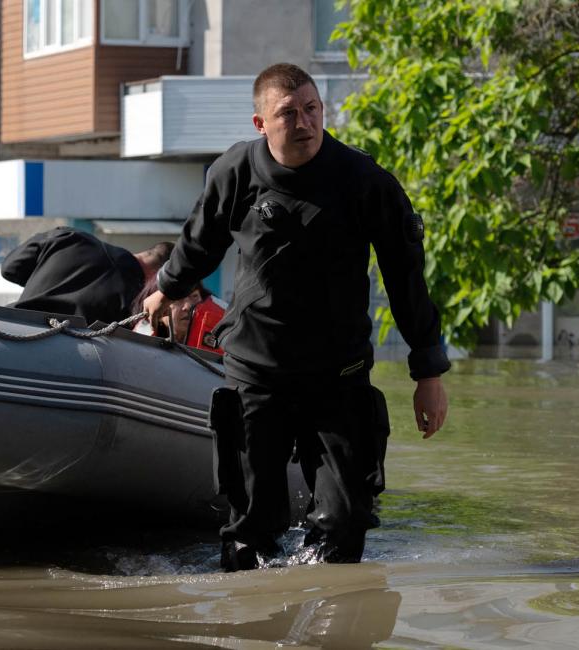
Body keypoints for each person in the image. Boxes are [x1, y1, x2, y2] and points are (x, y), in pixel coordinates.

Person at [143, 63, 450, 570]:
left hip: (340, 376)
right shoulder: (235, 172)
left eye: (313, 109)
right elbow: (199, 245)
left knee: (346, 524)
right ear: (261, 123)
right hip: (256, 372)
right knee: (250, 531)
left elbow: (406, 280)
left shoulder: (365, 182)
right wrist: (165, 289)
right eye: (289, 113)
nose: (305, 122)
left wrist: (429, 373)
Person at [0, 227, 172, 325]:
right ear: (160, 276)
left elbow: (10, 268)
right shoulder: (133, 302)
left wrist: (42, 283)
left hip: (9, 327)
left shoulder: (69, 236)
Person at [132, 280, 226, 353]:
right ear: (157, 311)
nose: (188, 306)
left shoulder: (225, 336)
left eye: (194, 296)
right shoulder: (138, 346)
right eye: (178, 300)